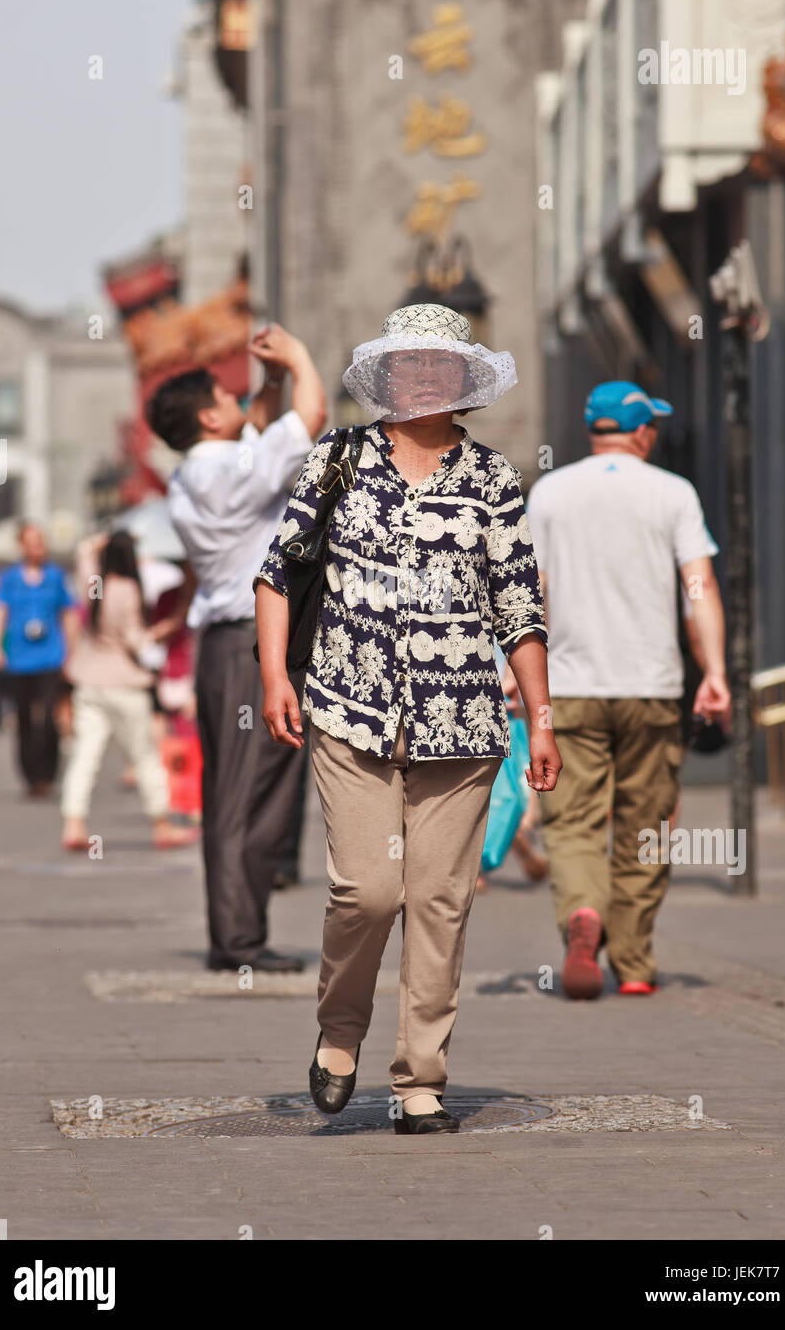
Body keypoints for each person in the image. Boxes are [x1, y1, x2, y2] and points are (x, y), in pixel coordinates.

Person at [255, 303, 561, 1134]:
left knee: (439, 899)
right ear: (388, 376)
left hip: (461, 721)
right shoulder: (340, 458)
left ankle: (420, 1079)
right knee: (367, 890)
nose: (424, 376)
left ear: (462, 381)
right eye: (410, 362)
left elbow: (520, 607)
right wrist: (274, 677)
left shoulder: (493, 479)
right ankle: (339, 1030)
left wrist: (542, 712)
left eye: (440, 364)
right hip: (348, 708)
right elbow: (278, 572)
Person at [526, 381, 731, 1000]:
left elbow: (529, 592)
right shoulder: (673, 493)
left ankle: (582, 915)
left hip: (571, 685)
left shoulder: (550, 491)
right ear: (641, 430)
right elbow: (699, 590)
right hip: (651, 684)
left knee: (572, 821)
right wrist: (714, 670)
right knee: (647, 822)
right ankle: (636, 963)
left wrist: (516, 671)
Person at [146, 323, 327, 973]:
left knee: (232, 791)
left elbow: (260, 429)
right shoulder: (229, 470)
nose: (236, 403)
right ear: (206, 417)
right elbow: (312, 418)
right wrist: (300, 358)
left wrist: (269, 382)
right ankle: (241, 940)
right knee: (257, 793)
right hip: (258, 642)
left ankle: (235, 933)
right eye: (224, 397)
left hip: (222, 644)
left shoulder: (196, 473)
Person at [59, 531, 196, 851]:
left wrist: (98, 540)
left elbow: (82, 553)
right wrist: (169, 625)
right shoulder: (127, 588)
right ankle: (161, 825)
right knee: (145, 754)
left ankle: (73, 823)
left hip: (89, 678)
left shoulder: (93, 581)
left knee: (85, 755)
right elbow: (136, 640)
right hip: (124, 680)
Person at [0, 524, 78, 796]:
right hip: (19, 658)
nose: (38, 547)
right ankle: (30, 776)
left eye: (41, 541)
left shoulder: (57, 576)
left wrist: (71, 653)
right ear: (22, 546)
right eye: (32, 542)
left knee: (50, 717)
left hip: (51, 656)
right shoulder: (9, 578)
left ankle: (47, 774)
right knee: (24, 718)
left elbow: (69, 615)